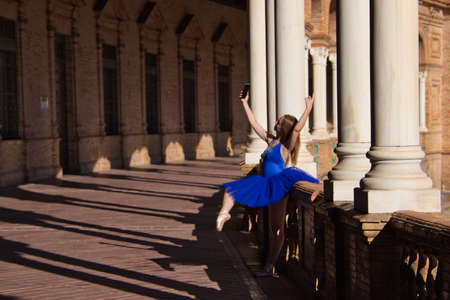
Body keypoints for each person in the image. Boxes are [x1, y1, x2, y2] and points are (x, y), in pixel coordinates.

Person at [216, 89, 319, 277]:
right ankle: (224, 214)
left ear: (283, 127)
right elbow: (254, 124)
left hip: (278, 187)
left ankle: (269, 266)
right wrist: (244, 103)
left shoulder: (286, 146)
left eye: (278, 122)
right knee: (231, 189)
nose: (275, 124)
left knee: (276, 229)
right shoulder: (271, 141)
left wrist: (308, 108)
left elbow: (297, 128)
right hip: (265, 183)